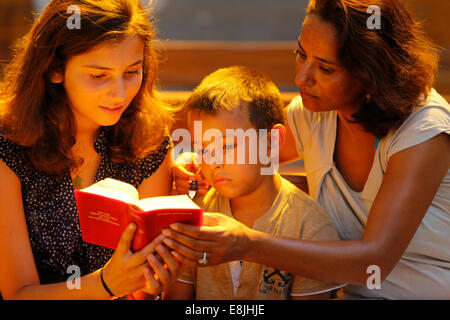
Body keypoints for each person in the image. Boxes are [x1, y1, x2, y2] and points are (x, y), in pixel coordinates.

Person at [168, 0, 450, 299]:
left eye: (325, 68)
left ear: (370, 71)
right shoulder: (313, 113)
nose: (302, 77)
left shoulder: (423, 130)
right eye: (301, 54)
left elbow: (374, 262)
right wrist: (194, 162)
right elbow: (250, 153)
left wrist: (249, 245)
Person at [0, 0, 181, 299]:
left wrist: (150, 281)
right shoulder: (9, 146)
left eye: (132, 72)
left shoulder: (148, 142)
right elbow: (18, 293)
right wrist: (106, 285)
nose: (119, 94)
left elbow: (142, 286)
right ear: (54, 69)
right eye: (98, 76)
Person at [164, 66, 343, 300]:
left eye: (227, 146)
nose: (213, 161)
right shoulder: (197, 215)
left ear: (271, 142)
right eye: (202, 149)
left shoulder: (310, 229)